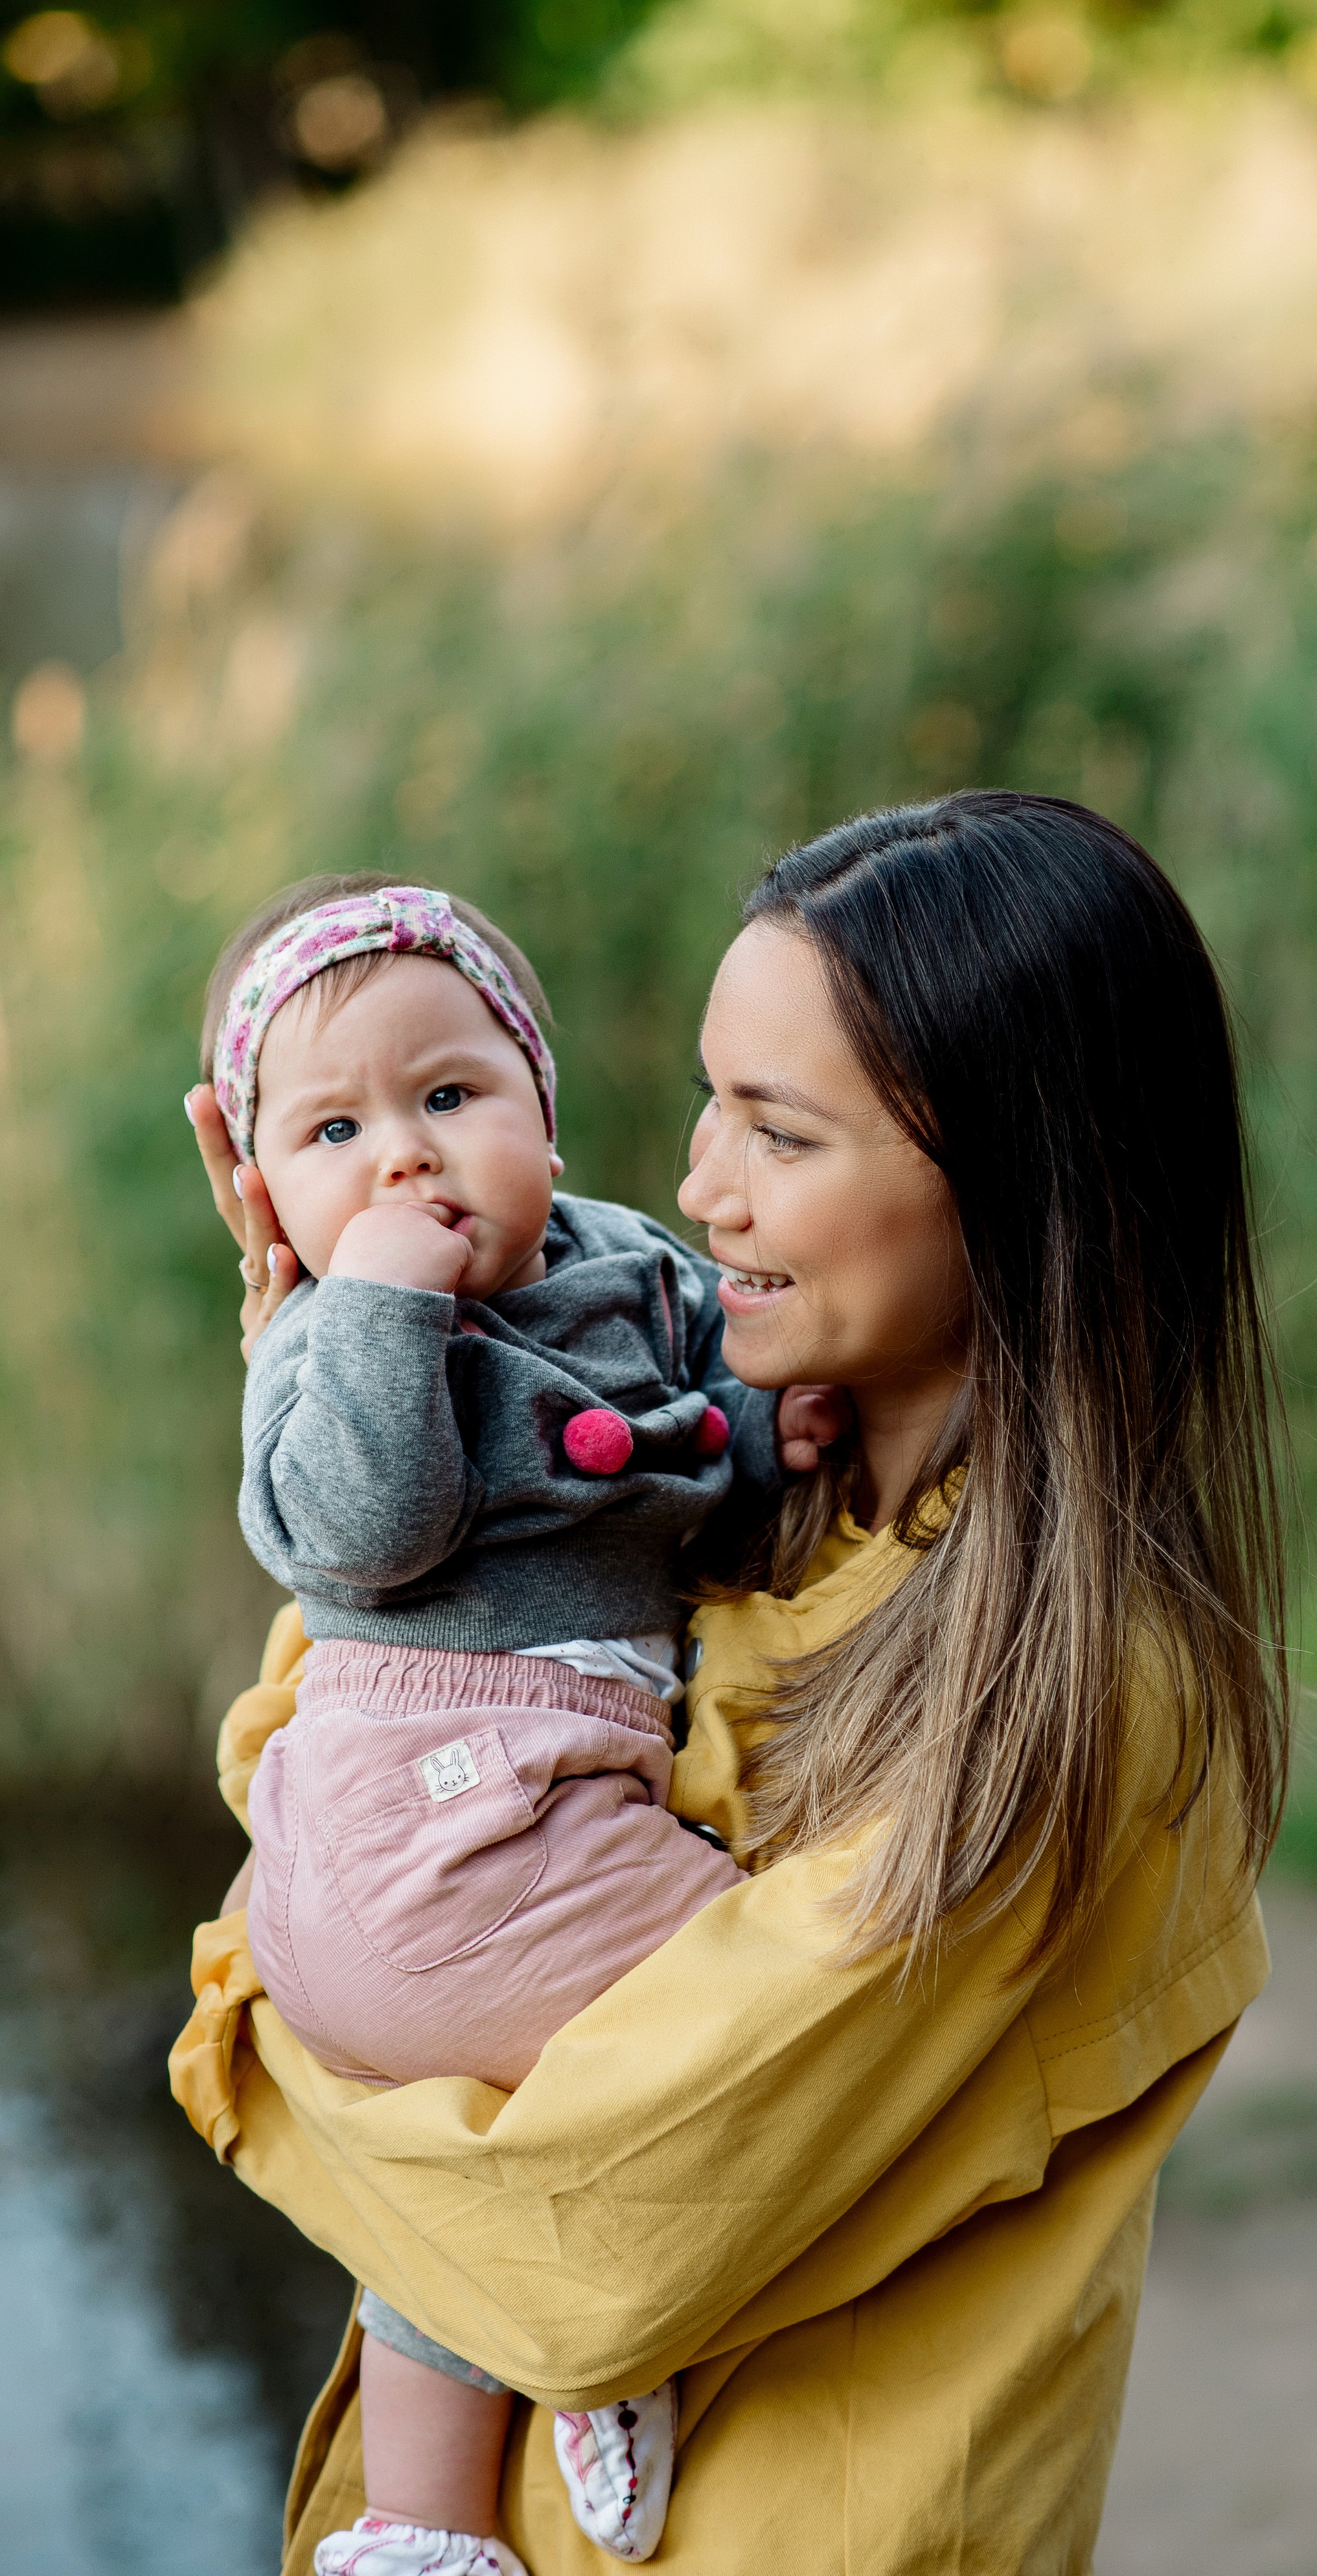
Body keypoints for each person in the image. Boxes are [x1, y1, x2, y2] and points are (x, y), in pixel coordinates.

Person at [174, 790, 1290, 2576]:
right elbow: (325, 1701)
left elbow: (583, 2241)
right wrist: (337, 1339)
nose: (696, 1187)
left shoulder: (1065, 1704)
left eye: (777, 1130)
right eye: (709, 1102)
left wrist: (265, 2032)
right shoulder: (730, 1494)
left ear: (1013, 1173)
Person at [190, 873, 840, 2573]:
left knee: (468, 2187)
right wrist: (385, 1308)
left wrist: (781, 1440)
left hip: (483, 1840)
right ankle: (602, 2320)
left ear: (542, 1112)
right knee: (768, 1991)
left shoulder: (631, 1265)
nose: (403, 1158)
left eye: (450, 1098)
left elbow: (701, 1470)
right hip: (442, 1820)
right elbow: (363, 1536)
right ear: (265, 1192)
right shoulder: (330, 1344)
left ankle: (418, 2522)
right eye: (334, 1133)